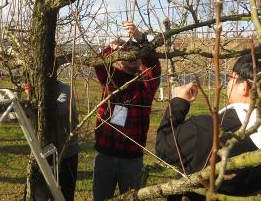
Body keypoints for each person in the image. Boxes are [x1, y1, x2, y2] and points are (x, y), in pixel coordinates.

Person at [156, 54, 261, 200]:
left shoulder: (205, 128)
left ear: (244, 87)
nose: (227, 83)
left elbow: (164, 148)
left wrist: (178, 102)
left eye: (231, 78)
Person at [92, 22, 161, 201]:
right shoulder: (112, 78)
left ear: (141, 58)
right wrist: (112, 47)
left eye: (136, 53)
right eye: (127, 52)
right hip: (105, 154)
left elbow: (153, 65)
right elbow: (99, 63)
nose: (132, 56)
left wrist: (141, 39)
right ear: (120, 57)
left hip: (132, 158)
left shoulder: (146, 83)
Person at [55, 81, 79, 201]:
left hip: (67, 151)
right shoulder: (35, 92)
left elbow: (58, 110)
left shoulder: (66, 89)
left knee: (66, 194)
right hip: (46, 151)